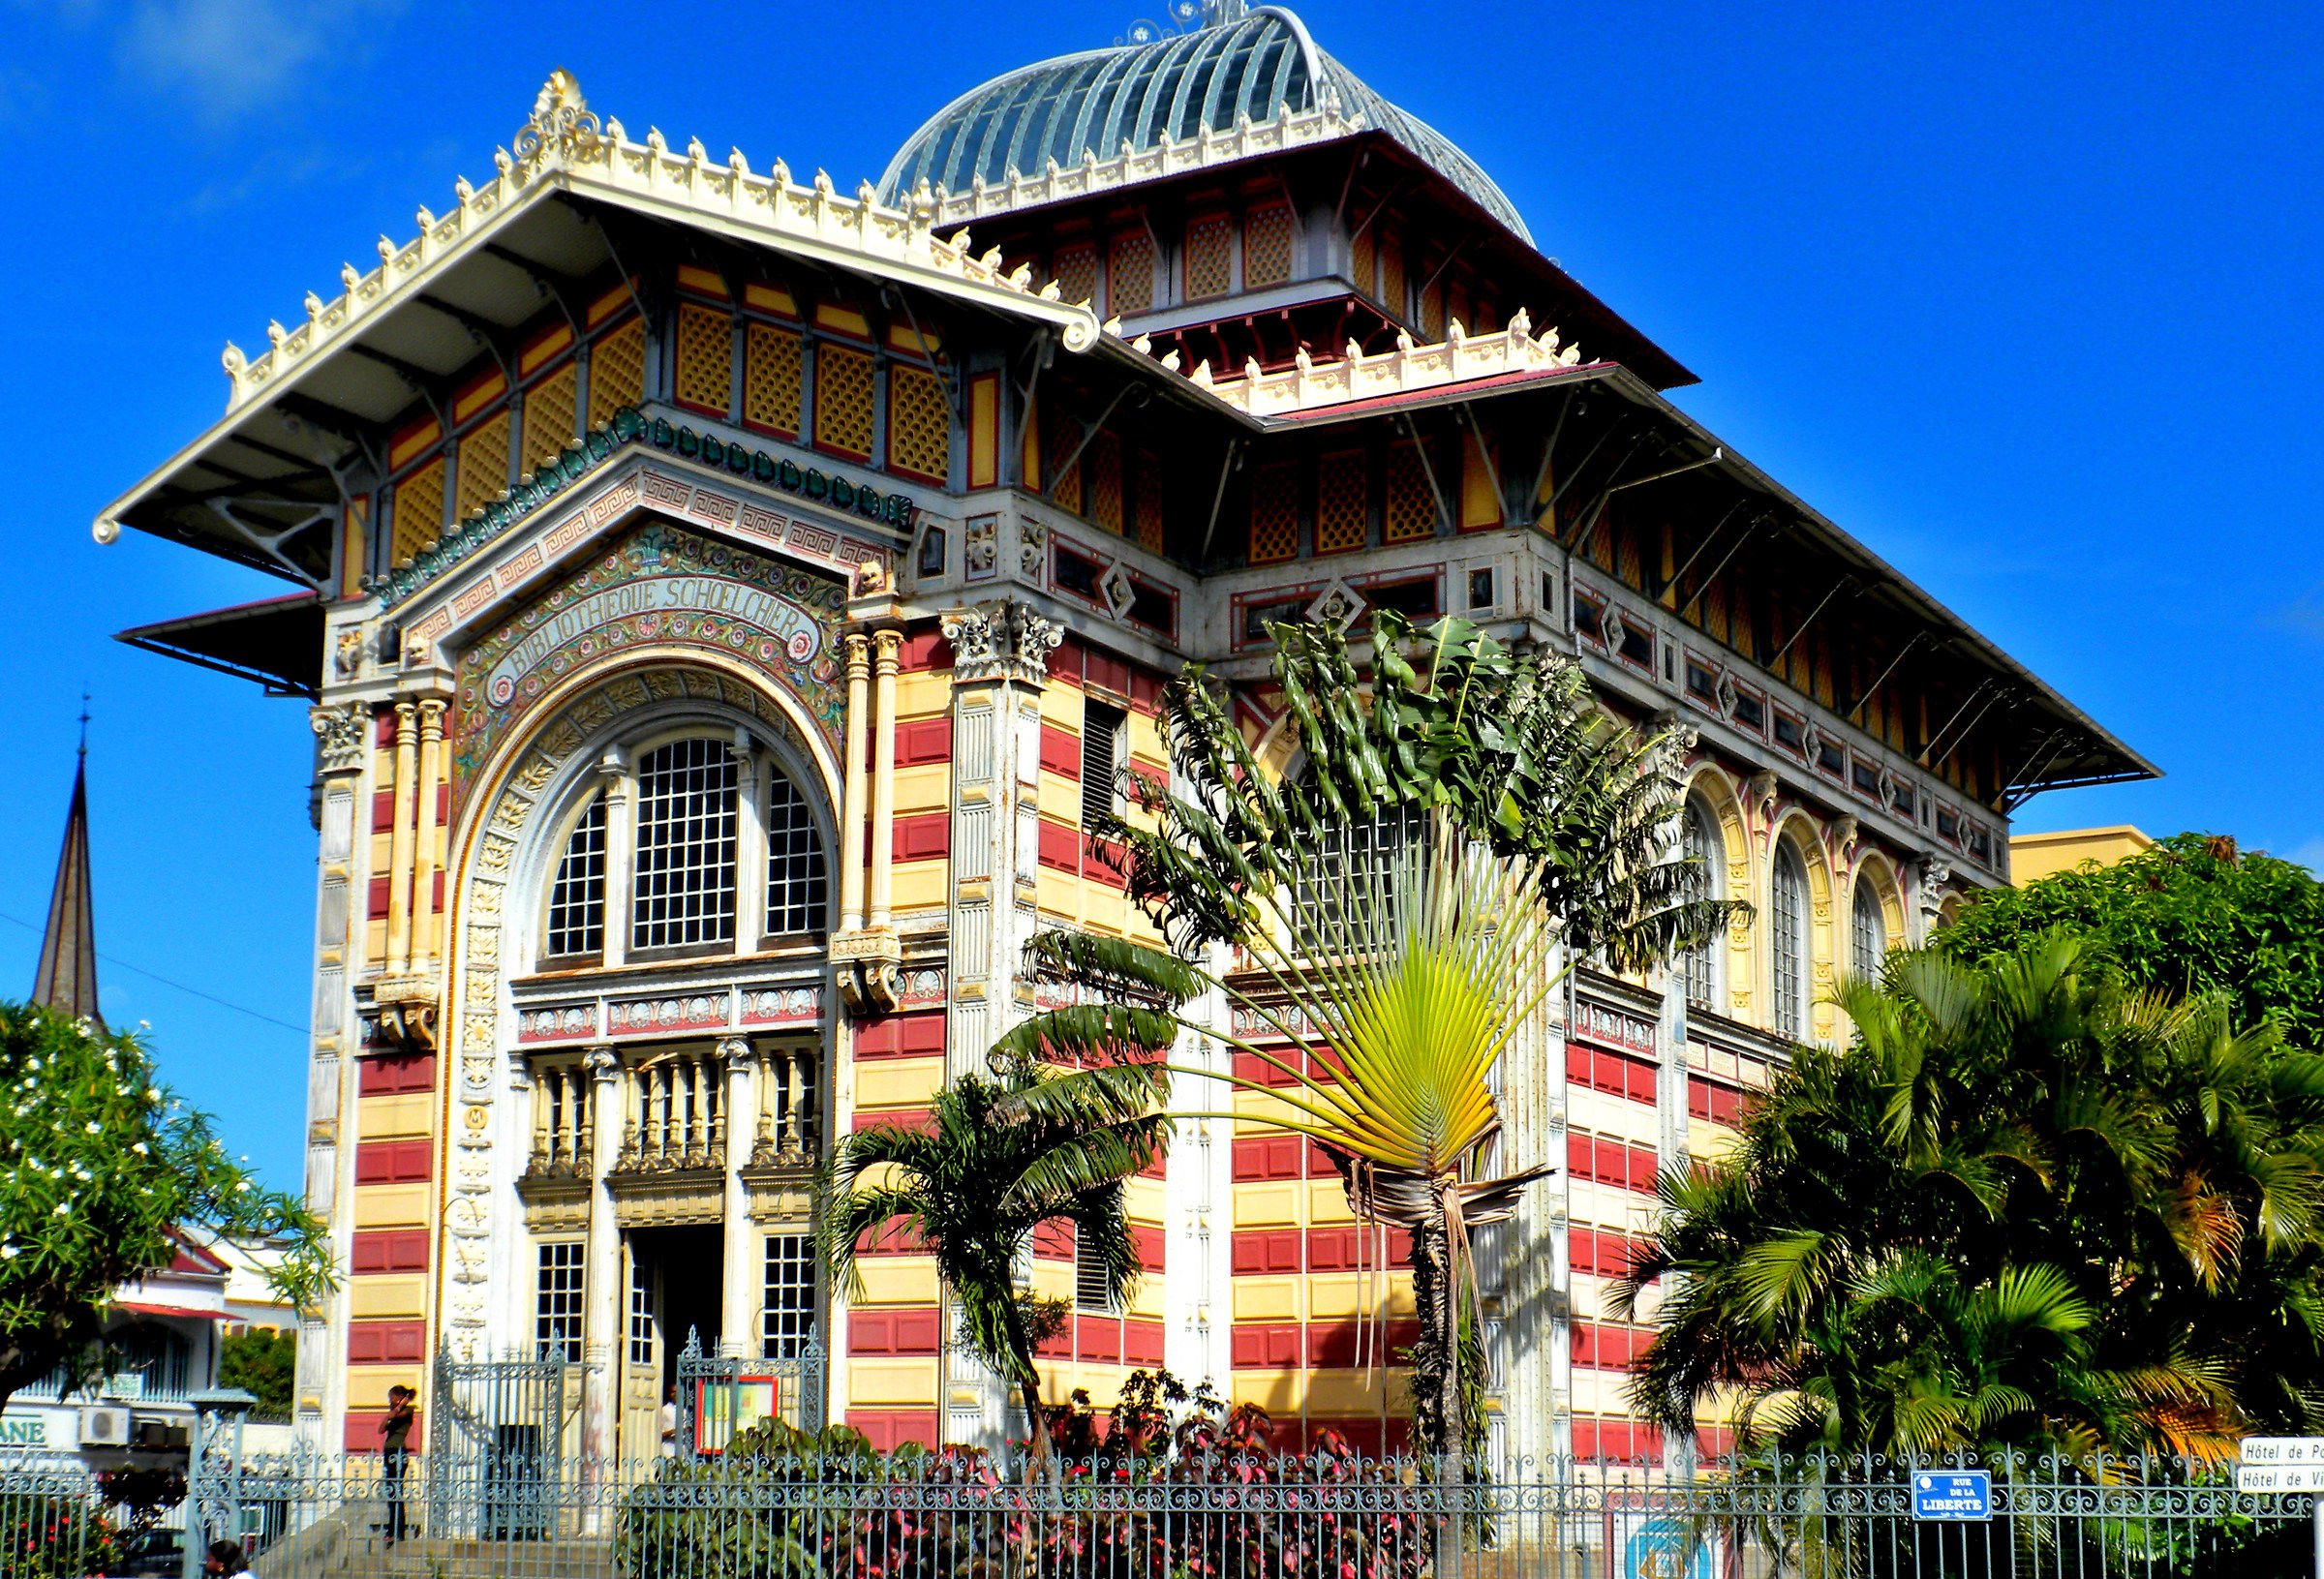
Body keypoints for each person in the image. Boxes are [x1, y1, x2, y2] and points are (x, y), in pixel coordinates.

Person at [379, 1383, 417, 1546]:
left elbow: (394, 1416)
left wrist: (402, 1404)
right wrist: (390, 1413)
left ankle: (397, 1530)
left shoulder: (408, 1411)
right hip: (389, 1452)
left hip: (398, 1453)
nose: (390, 1401)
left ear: (399, 1397)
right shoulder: (394, 1412)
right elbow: (381, 1429)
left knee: (396, 1492)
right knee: (391, 1492)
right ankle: (393, 1529)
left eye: (392, 1398)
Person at [657, 1382, 679, 1458]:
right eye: (673, 1392)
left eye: (677, 1392)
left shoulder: (685, 1410)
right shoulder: (665, 1410)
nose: (675, 1394)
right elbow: (658, 1433)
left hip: (682, 1448)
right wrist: (671, 1432)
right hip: (668, 1447)